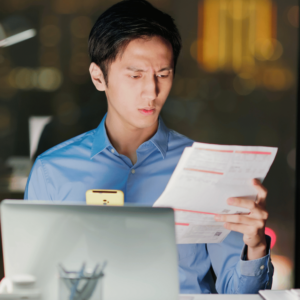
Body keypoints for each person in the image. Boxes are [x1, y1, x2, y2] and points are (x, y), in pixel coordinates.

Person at [25, 0, 273, 294]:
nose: (152, 91)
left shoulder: (207, 168)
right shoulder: (52, 171)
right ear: (98, 77)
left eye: (163, 74)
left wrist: (255, 245)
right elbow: (31, 284)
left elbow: (238, 293)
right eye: (135, 75)